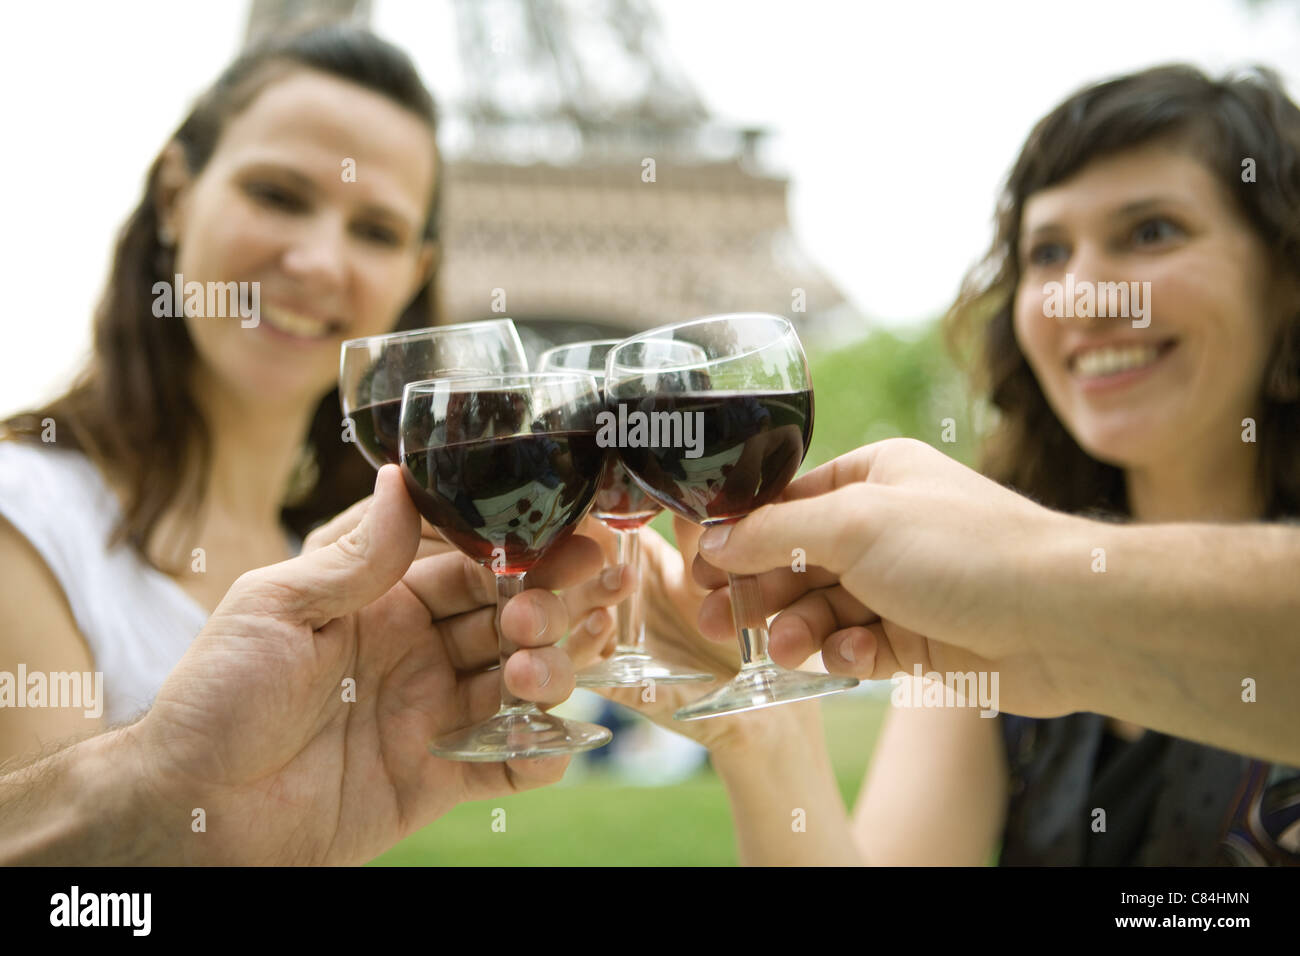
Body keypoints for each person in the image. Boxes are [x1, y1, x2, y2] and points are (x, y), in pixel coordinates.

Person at [576, 64, 1300, 865]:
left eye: (1152, 231)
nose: (1082, 295)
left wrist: (1033, 578)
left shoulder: (992, 586)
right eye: (1048, 251)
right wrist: (763, 733)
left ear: (1287, 277)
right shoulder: (964, 617)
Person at [0, 24, 631, 768]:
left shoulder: (340, 568)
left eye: (375, 230)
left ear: (413, 272)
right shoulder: (24, 516)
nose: (318, 261)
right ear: (174, 196)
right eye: (276, 194)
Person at [0, 466, 604, 865]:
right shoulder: (30, 503)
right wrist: (168, 786)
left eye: (381, 257)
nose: (316, 262)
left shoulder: (306, 520)